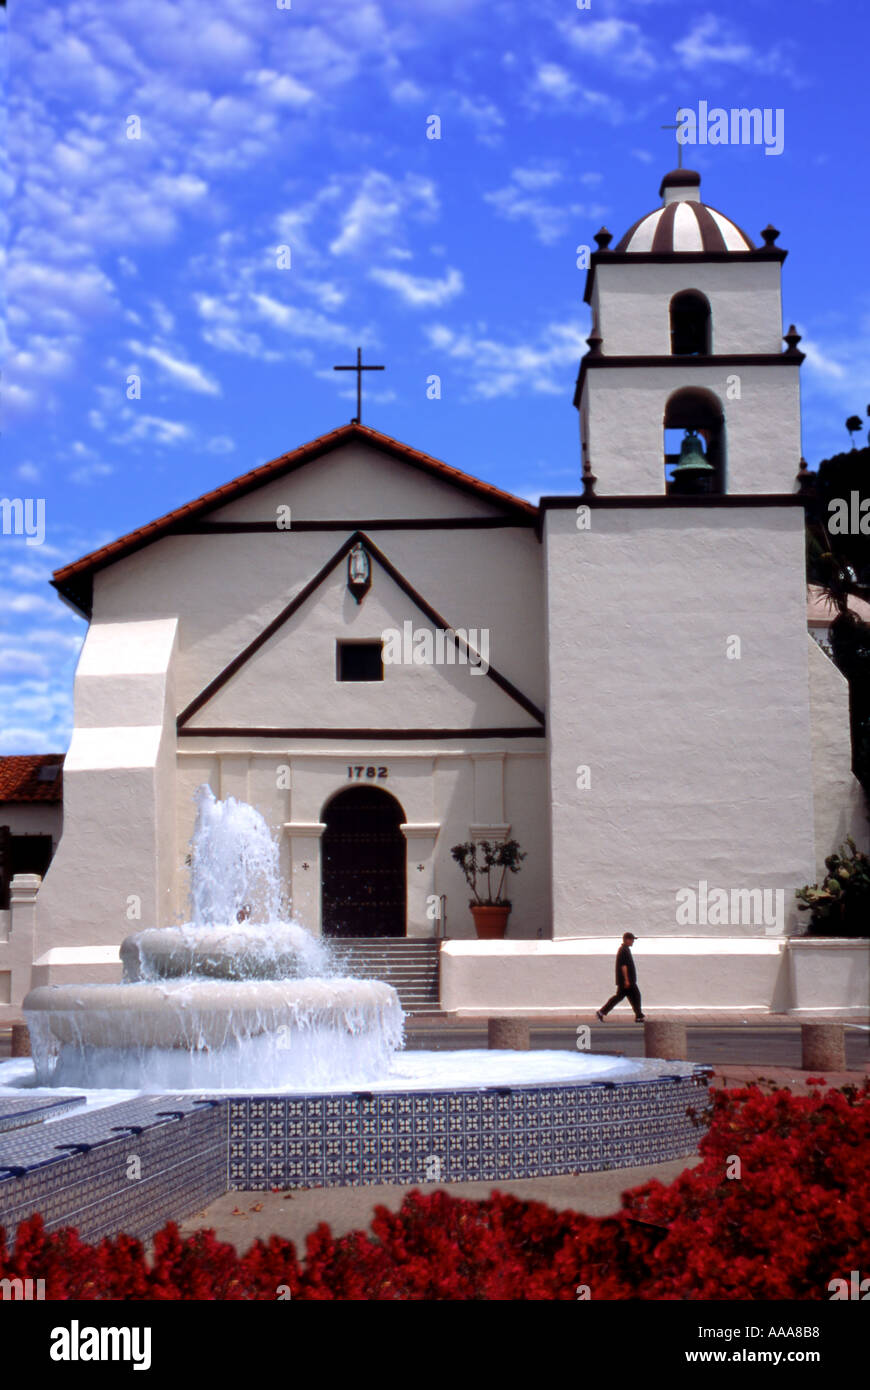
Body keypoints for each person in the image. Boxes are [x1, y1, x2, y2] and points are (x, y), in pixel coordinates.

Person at [596, 933, 645, 1023]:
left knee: (624, 997)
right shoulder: (623, 951)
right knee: (634, 996)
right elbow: (624, 966)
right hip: (627, 981)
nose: (633, 942)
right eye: (632, 940)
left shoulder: (625, 949)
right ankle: (601, 1012)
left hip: (628, 981)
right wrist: (626, 980)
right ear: (626, 940)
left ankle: (638, 1015)